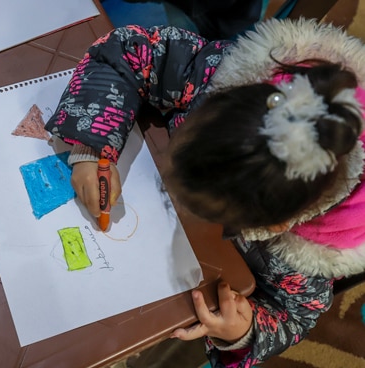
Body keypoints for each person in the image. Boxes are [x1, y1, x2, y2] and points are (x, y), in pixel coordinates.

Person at [44, 18, 365, 367]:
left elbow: (296, 316)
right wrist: (93, 145)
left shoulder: (317, 256)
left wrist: (243, 331)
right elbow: (128, 51)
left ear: (275, 225)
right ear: (223, 97)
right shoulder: (221, 75)